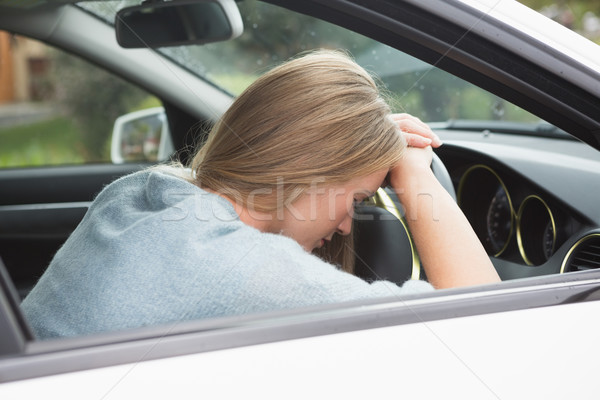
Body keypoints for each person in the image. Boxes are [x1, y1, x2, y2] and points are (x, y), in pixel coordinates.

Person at [21, 50, 500, 339]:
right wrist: (415, 176)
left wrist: (362, 147)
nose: (347, 226)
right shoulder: (244, 270)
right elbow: (485, 327)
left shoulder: (136, 193)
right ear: (310, 173)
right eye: (355, 200)